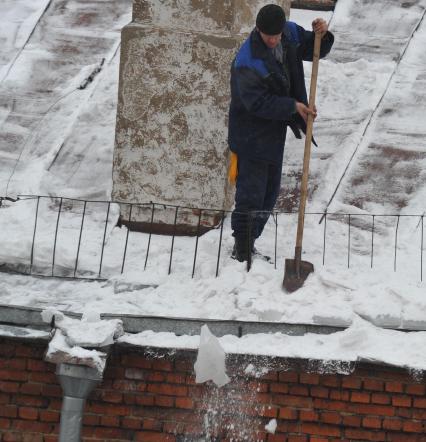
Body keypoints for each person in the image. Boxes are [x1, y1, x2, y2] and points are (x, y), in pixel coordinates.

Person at [228, 3, 334, 262]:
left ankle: (251, 241)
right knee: (251, 193)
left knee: (269, 193)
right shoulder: (247, 61)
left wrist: (323, 33)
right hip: (250, 133)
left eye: (277, 35)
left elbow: (315, 48)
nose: (274, 40)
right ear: (258, 30)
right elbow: (257, 103)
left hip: (273, 131)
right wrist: (292, 106)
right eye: (268, 37)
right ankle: (242, 249)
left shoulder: (289, 33)